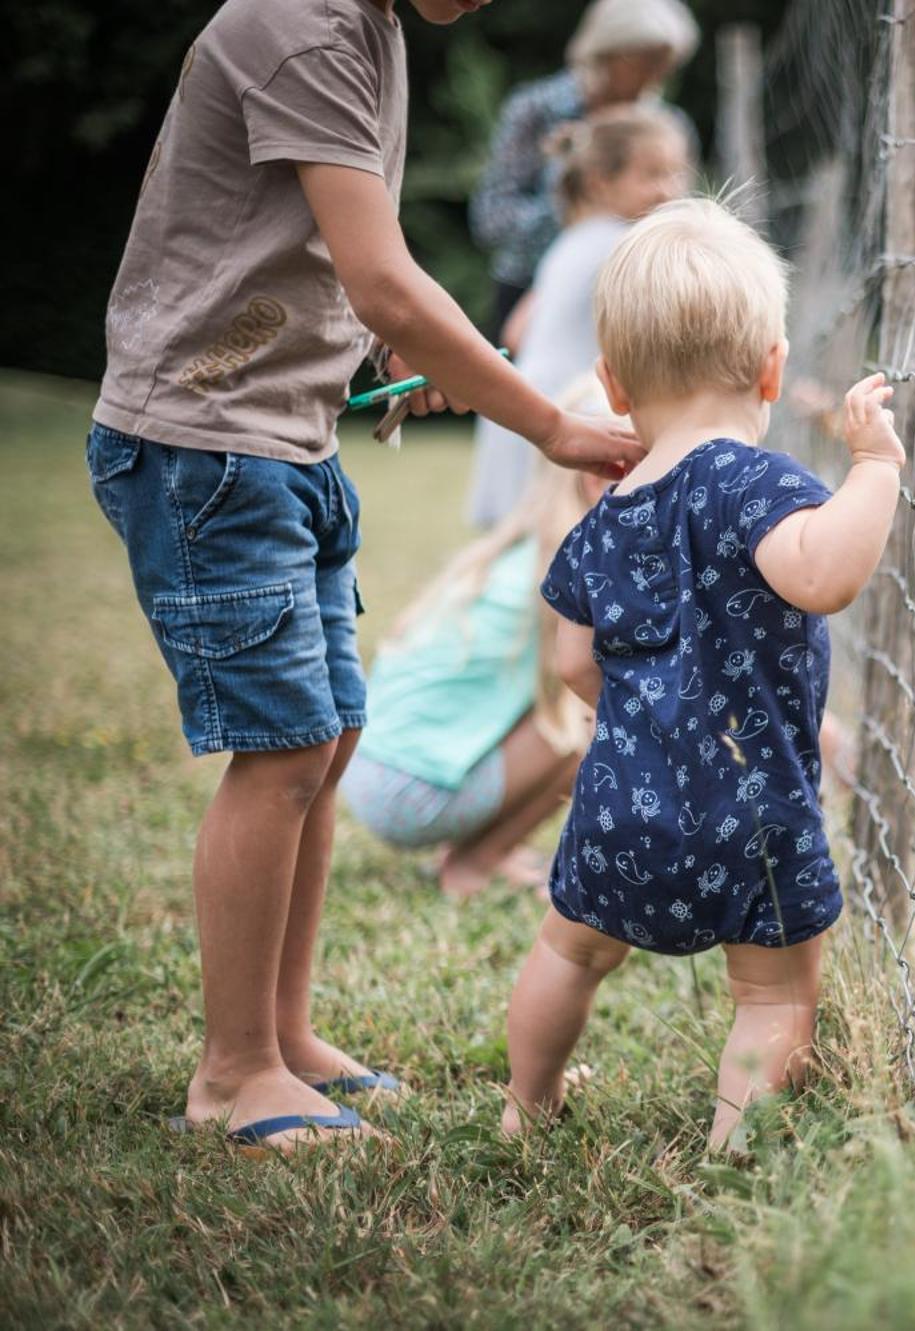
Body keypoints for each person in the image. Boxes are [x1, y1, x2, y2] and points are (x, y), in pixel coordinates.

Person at [85, 0, 645, 1154]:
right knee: (282, 747)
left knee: (328, 735)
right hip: (204, 442)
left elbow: (336, 254)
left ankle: (280, 1034)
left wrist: (378, 347)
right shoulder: (301, 27)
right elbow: (385, 276)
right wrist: (548, 424)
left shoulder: (372, 27)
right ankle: (231, 1070)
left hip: (283, 434)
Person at [499, 199, 906, 1154]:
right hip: (753, 801)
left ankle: (528, 1102)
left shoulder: (601, 515)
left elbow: (570, 659)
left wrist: (644, 719)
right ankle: (733, 1147)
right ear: (771, 367)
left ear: (612, 382)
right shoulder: (756, 484)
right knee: (770, 994)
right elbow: (827, 573)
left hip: (620, 796)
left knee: (570, 948)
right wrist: (876, 467)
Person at [345, 461, 600, 898]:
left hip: (368, 773)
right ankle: (474, 863)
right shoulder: (568, 570)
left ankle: (483, 848)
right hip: (410, 796)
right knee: (596, 721)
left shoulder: (514, 551)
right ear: (598, 478)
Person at [467, 104, 692, 529]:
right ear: (599, 182)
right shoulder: (623, 247)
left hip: (521, 411)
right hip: (567, 420)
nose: (671, 189)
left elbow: (516, 332)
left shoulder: (569, 243)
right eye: (653, 175)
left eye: (677, 173)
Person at [470, 0, 700, 339]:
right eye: (645, 61)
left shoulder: (669, 129)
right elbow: (491, 219)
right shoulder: (536, 111)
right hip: (529, 294)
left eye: (664, 64)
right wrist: (577, 202)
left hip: (634, 301)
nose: (655, 76)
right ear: (607, 51)